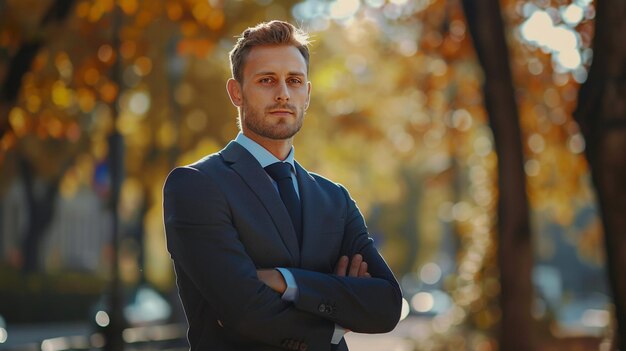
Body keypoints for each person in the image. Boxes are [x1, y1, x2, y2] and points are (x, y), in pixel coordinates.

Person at [163, 20, 402, 351]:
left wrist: (285, 281)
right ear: (236, 92)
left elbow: (387, 305)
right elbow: (244, 310)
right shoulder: (196, 186)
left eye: (294, 80)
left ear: (307, 93)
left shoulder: (335, 199)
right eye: (266, 80)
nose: (283, 93)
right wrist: (336, 312)